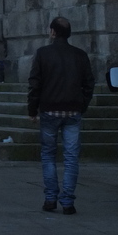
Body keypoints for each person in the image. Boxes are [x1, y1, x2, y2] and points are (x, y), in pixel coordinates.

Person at [27, 17, 94, 215]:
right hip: (73, 110)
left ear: (53, 32)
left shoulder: (42, 53)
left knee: (48, 155)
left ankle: (50, 198)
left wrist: (32, 109)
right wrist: (82, 105)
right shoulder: (80, 55)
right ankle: (67, 201)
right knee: (71, 157)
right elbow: (89, 84)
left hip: (49, 109)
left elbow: (34, 84)